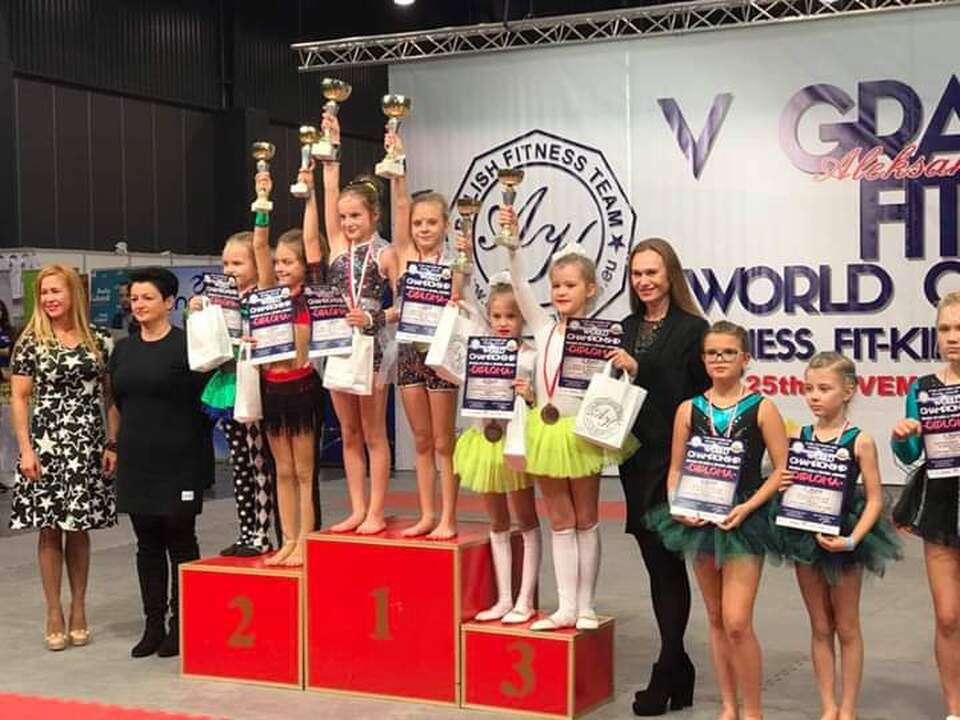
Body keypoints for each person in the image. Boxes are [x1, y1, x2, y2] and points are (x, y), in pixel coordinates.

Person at [501, 206, 637, 632]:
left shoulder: (603, 335)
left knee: (585, 518)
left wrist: (625, 367)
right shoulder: (543, 327)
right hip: (546, 431)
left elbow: (610, 385)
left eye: (570, 285)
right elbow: (520, 286)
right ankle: (564, 607)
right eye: (556, 285)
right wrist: (513, 245)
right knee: (560, 521)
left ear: (590, 289)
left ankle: (586, 605)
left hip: (582, 433)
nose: (561, 291)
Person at [647, 321, 786, 720]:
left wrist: (749, 506)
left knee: (737, 620)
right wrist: (677, 505)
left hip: (744, 518)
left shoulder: (761, 406)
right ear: (703, 359)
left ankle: (753, 710)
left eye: (728, 352)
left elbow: (781, 469)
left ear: (745, 358)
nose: (719, 359)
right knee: (715, 617)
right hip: (699, 515)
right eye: (712, 353)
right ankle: (728, 704)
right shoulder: (689, 409)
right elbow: (676, 468)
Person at [609, 239, 709, 715]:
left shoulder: (693, 328)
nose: (644, 281)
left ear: (670, 274)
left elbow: (696, 395)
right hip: (635, 457)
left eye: (652, 272)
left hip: (676, 459)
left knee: (670, 562)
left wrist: (640, 367)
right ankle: (679, 666)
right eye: (637, 274)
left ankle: (666, 668)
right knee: (657, 566)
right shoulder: (626, 327)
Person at [775, 352, 901, 720]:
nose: (814, 396)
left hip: (845, 535)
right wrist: (783, 485)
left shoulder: (860, 441)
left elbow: (875, 499)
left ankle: (848, 708)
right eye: (808, 388)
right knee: (819, 624)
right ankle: (828, 705)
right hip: (806, 534)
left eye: (824, 389)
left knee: (846, 625)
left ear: (848, 391)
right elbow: (788, 483)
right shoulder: (798, 436)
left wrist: (853, 539)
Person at [9, 265, 115, 651]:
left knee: (79, 528)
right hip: (46, 445)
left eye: (56, 291)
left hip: (87, 443)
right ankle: (53, 611)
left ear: (74, 293)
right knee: (49, 528)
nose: (50, 299)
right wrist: (26, 449)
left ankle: (79, 608)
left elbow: (111, 397)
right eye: (44, 293)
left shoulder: (100, 340)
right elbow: (20, 398)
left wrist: (112, 443)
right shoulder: (30, 342)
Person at [109, 267, 213, 658]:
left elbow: (207, 399)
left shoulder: (188, 345)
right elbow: (116, 403)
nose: (139, 305)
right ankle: (152, 624)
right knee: (147, 544)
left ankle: (182, 625)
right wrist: (113, 444)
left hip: (180, 457)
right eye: (134, 298)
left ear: (169, 302)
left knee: (180, 541)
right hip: (137, 457)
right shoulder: (123, 349)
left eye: (147, 298)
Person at [319, 111, 398, 535]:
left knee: (372, 432)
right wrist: (331, 147)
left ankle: (377, 511)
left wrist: (374, 316)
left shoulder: (385, 253)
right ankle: (356, 507)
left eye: (356, 216)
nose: (349, 223)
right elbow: (330, 189)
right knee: (347, 431)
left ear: (374, 216)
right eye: (344, 217)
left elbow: (408, 306)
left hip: (373, 346)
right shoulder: (337, 246)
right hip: (337, 343)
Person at [455, 268, 541, 623]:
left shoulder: (531, 357)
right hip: (484, 441)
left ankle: (526, 599)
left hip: (515, 442)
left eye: (511, 316)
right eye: (497, 316)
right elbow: (464, 301)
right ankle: (504, 598)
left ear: (524, 318)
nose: (503, 323)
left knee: (527, 519)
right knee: (497, 522)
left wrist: (530, 395)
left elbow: (541, 403)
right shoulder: (479, 350)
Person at [892, 290, 960, 720]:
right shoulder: (923, 388)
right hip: (940, 504)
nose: (952, 336)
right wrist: (903, 436)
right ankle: (955, 708)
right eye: (945, 328)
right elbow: (910, 454)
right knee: (948, 616)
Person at [250, 170, 323, 567]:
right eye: (277, 262)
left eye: (288, 262)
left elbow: (312, 244)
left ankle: (307, 540)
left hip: (303, 386)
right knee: (282, 470)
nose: (279, 267)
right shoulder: (270, 294)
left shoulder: (312, 293)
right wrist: (263, 200)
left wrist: (308, 196)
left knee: (304, 472)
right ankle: (289, 537)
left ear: (305, 264)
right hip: (273, 387)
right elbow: (259, 246)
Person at [191, 231, 276, 557]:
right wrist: (197, 312)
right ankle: (245, 530)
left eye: (238, 263)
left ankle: (262, 533)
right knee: (239, 461)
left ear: (257, 264)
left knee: (258, 459)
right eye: (226, 263)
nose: (230, 270)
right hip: (226, 382)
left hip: (251, 381)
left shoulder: (262, 295)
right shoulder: (218, 300)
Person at [389, 158, 460, 538]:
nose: (424, 229)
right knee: (420, 440)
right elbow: (400, 203)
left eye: (432, 222)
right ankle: (427, 514)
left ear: (446, 225)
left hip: (440, 355)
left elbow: (462, 303)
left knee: (443, 441)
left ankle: (449, 516)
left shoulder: (454, 261)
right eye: (418, 223)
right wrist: (398, 167)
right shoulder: (404, 255)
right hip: (408, 355)